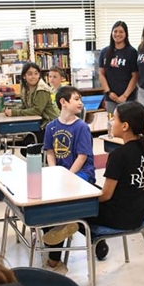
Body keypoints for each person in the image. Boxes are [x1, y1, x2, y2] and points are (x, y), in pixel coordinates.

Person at [82, 102, 144, 261]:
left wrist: (82, 203)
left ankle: (93, 240)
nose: (111, 123)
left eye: (114, 119)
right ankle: (97, 241)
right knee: (89, 189)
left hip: (120, 218)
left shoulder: (119, 155)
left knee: (74, 212)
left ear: (125, 126)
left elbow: (106, 195)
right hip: (140, 214)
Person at [41, 86, 96, 274]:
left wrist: (65, 176)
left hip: (81, 173)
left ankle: (53, 257)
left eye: (80, 99)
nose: (80, 102)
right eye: (76, 99)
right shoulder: (51, 126)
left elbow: (82, 157)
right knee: (45, 202)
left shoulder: (81, 127)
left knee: (64, 201)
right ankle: (61, 232)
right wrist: (53, 171)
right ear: (63, 102)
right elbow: (50, 151)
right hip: (61, 173)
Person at [3, 62, 59, 143]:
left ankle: (45, 155)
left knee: (27, 148)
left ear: (39, 75)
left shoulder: (42, 89)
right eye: (30, 74)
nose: (33, 77)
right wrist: (10, 109)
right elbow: (24, 105)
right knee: (25, 147)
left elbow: (37, 110)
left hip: (50, 125)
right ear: (24, 76)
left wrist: (14, 112)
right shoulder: (26, 87)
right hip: (39, 124)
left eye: (36, 74)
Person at [99, 21, 139, 114]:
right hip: (110, 97)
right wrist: (109, 92)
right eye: (115, 31)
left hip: (128, 97)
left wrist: (125, 96)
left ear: (126, 34)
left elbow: (135, 76)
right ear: (111, 33)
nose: (117, 34)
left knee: (129, 123)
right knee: (112, 124)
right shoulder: (104, 51)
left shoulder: (132, 52)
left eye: (121, 32)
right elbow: (101, 74)